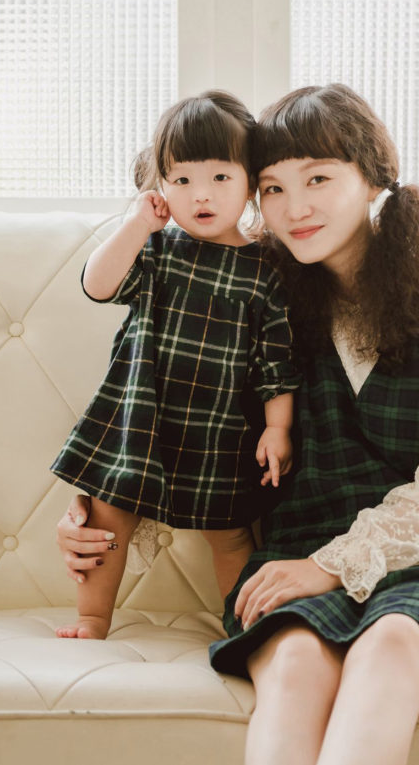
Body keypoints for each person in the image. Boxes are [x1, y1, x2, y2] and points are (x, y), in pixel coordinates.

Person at [56, 84, 419, 765]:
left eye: (318, 179)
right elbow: (184, 416)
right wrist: (98, 508)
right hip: (298, 548)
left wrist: (330, 566)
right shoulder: (263, 297)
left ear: (373, 179)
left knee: (390, 643)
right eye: (272, 187)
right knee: (295, 660)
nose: (293, 208)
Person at [50, 90, 301, 640]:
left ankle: (243, 628)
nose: (200, 195)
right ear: (160, 186)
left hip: (219, 428)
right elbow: (97, 285)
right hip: (139, 416)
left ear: (250, 184)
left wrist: (278, 427)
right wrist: (137, 225)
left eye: (220, 178)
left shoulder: (264, 270)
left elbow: (276, 364)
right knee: (106, 519)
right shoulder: (159, 249)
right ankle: (93, 618)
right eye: (181, 180)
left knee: (231, 535)